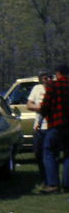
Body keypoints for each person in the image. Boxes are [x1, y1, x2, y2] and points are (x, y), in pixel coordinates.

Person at [39, 64, 69, 193]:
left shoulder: (53, 86)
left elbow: (45, 106)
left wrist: (46, 116)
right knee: (68, 154)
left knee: (49, 151)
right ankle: (67, 184)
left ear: (58, 73)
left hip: (56, 124)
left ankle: (53, 184)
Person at [27, 69, 52, 187]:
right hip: (39, 126)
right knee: (38, 153)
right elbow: (29, 105)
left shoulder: (55, 89)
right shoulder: (37, 89)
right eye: (44, 78)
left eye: (48, 77)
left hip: (52, 126)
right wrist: (41, 107)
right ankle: (43, 179)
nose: (47, 80)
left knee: (51, 155)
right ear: (40, 79)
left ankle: (52, 181)